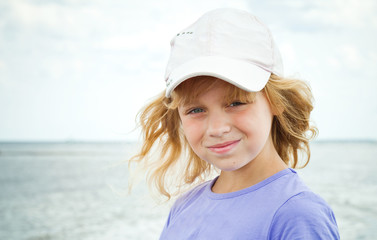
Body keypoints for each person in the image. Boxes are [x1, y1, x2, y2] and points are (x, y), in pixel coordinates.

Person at [129, 8, 340, 239]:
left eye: (236, 103)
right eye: (196, 110)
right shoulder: (183, 208)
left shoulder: (297, 215)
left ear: (276, 102)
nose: (217, 129)